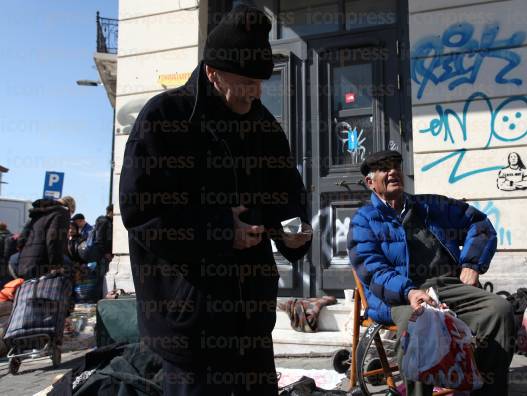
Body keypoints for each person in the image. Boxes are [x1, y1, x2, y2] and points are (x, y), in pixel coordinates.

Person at [119, 5, 311, 396]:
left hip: (252, 328)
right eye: (245, 81)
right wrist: (223, 230)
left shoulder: (263, 126)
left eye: (261, 81)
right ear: (212, 72)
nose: (255, 92)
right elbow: (142, 216)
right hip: (190, 332)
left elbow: (287, 194)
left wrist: (295, 231)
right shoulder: (165, 118)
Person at [348, 150, 514, 396]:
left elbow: (479, 224)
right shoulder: (363, 220)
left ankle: (485, 389)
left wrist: (472, 263)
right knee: (419, 325)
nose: (393, 171)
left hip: (448, 284)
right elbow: (372, 269)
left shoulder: (428, 206)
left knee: (499, 310)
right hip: (400, 294)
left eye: (396, 166)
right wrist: (409, 291)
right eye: (384, 168)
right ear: (370, 183)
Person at [16, 197, 74, 280]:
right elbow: (54, 240)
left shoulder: (38, 213)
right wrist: (57, 266)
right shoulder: (62, 213)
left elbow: (21, 240)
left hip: (24, 264)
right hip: (42, 266)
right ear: (70, 208)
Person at [92, 204, 113, 298]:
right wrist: (105, 253)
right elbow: (99, 239)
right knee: (101, 278)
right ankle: (97, 299)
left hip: (106, 255)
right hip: (102, 256)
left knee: (104, 278)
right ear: (111, 211)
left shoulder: (108, 221)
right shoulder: (103, 221)